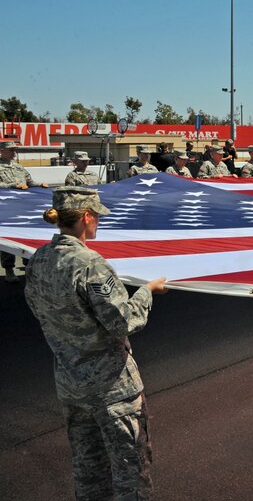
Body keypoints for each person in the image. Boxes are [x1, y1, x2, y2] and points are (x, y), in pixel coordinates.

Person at [24, 186, 167, 500]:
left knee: (89, 473)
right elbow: (123, 321)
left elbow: (38, 310)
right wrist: (147, 291)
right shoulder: (90, 263)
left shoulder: (39, 260)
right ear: (86, 217)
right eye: (97, 217)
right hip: (111, 388)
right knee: (130, 474)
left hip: (71, 385)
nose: (98, 223)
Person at [1, 141, 49, 281]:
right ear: (2, 151)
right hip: (6, 209)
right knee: (9, 239)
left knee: (25, 236)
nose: (13, 153)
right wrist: (13, 185)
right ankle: (9, 269)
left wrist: (39, 185)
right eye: (10, 150)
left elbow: (29, 182)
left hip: (22, 209)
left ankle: (28, 266)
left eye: (14, 150)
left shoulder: (19, 167)